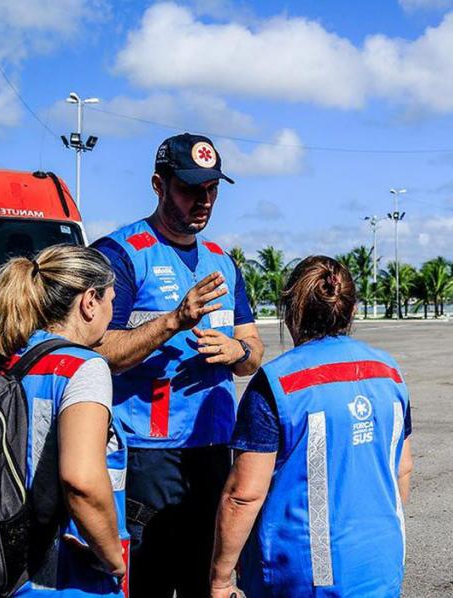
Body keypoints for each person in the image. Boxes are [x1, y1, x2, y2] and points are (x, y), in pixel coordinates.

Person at [90, 133, 265, 597]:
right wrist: (173, 321)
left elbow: (254, 348)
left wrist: (238, 354)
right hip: (149, 453)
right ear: (158, 185)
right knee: (148, 580)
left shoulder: (222, 261)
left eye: (211, 190)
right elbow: (97, 352)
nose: (203, 201)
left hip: (213, 449)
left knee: (205, 579)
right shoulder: (120, 254)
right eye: (190, 188)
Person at [209, 256, 413, 598]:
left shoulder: (277, 384)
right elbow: (402, 469)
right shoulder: (389, 373)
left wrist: (221, 578)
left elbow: (243, 495)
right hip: (381, 561)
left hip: (302, 573)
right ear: (351, 309)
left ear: (292, 312)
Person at [0, 245, 128, 596]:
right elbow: (81, 481)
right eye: (111, 299)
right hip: (65, 575)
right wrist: (113, 558)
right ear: (89, 301)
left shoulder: (0, 360)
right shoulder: (83, 368)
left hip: (1, 566)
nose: (113, 312)